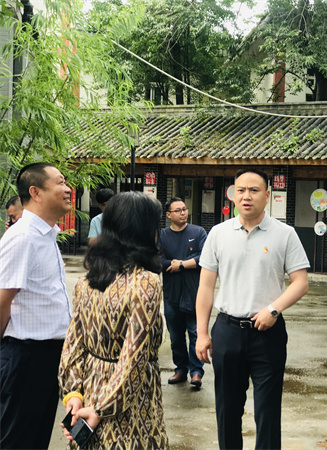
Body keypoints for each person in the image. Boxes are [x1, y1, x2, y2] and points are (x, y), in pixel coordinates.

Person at [196, 168, 310, 450]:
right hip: (227, 331)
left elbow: (300, 282)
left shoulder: (285, 234)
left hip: (268, 333)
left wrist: (274, 309)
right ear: (233, 194)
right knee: (227, 408)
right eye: (241, 190)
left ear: (267, 195)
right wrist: (202, 333)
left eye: (254, 190)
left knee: (268, 410)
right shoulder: (218, 233)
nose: (246, 196)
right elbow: (206, 287)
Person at [59, 191, 169, 448]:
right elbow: (134, 357)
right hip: (129, 399)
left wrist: (73, 395)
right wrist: (102, 408)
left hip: (89, 388)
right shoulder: (145, 282)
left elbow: (72, 344)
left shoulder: (87, 280)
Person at [0, 162, 72, 449]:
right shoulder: (22, 237)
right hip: (25, 356)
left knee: (35, 439)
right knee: (18, 441)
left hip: (46, 357)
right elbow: (2, 301)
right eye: (60, 182)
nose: (68, 189)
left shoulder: (46, 234)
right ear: (36, 192)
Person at [159, 197, 206, 387]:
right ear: (169, 215)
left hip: (194, 292)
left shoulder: (198, 232)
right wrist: (175, 264)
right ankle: (181, 369)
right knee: (176, 335)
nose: (183, 213)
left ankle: (196, 372)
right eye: (178, 210)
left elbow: (205, 257)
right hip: (172, 293)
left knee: (195, 333)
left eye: (184, 209)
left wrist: (181, 264)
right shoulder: (162, 235)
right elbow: (157, 260)